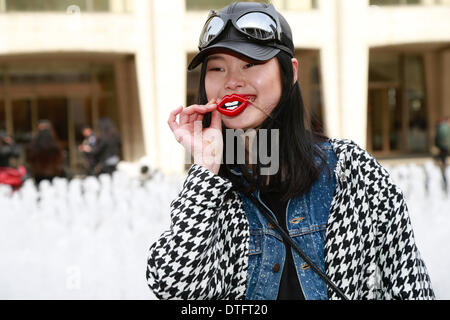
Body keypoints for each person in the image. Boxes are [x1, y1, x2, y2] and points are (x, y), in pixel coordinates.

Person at [146, 2, 434, 300]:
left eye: (250, 63)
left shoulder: (351, 170)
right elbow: (176, 289)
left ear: (290, 72)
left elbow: (410, 286)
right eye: (217, 68)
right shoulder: (211, 191)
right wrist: (205, 168)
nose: (232, 81)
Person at [26, 120, 66, 184]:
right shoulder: (55, 143)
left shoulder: (34, 144)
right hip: (53, 173)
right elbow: (60, 158)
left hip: (38, 173)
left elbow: (29, 158)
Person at [435, 116, 450, 188]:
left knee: (443, 156)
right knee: (443, 157)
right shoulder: (445, 127)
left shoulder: (441, 127)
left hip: (442, 145)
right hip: (445, 145)